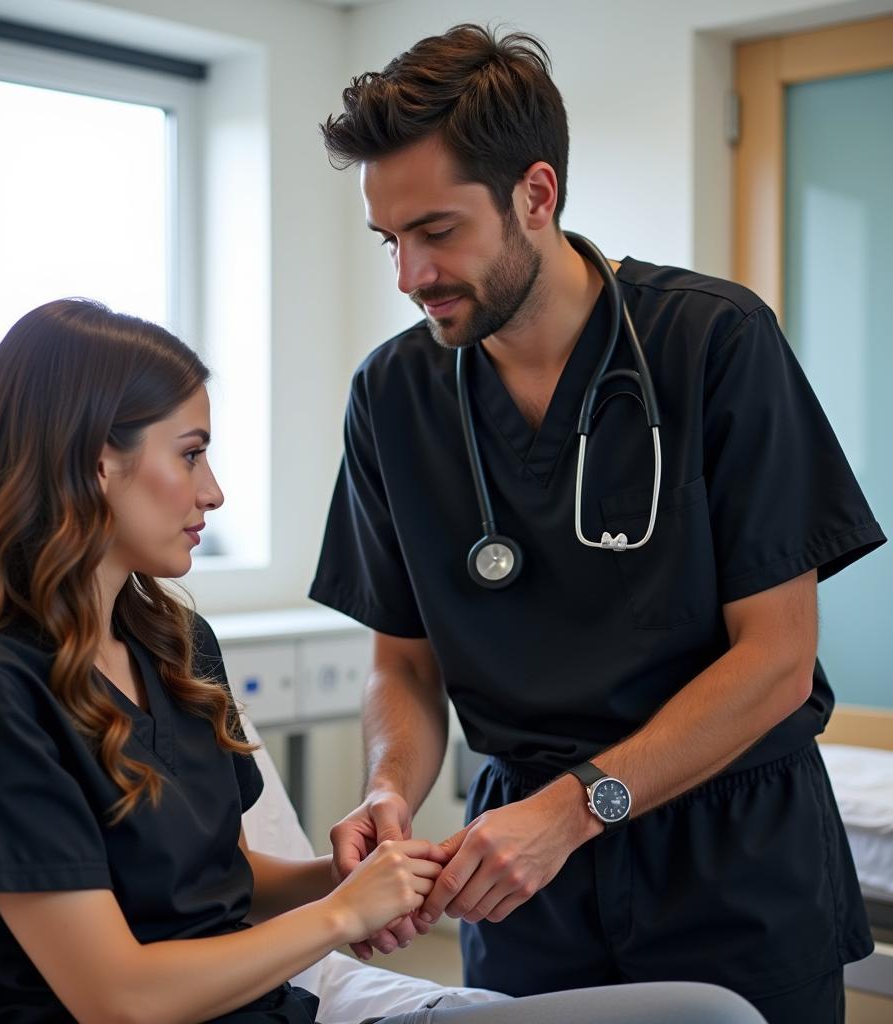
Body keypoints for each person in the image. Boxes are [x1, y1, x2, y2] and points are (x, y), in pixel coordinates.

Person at [0, 299, 764, 1024]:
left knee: (707, 1012)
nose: (214, 491)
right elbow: (118, 998)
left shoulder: (169, 645)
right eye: (190, 454)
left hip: (277, 1013)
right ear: (94, 463)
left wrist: (356, 876)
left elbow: (217, 880)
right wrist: (339, 916)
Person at [310, 23, 885, 1024]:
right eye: (388, 240)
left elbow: (777, 660)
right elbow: (400, 663)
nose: (407, 275)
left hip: (730, 849)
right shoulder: (392, 396)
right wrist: (389, 790)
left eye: (437, 231)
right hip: (523, 873)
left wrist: (579, 809)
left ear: (535, 194)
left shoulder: (712, 341)